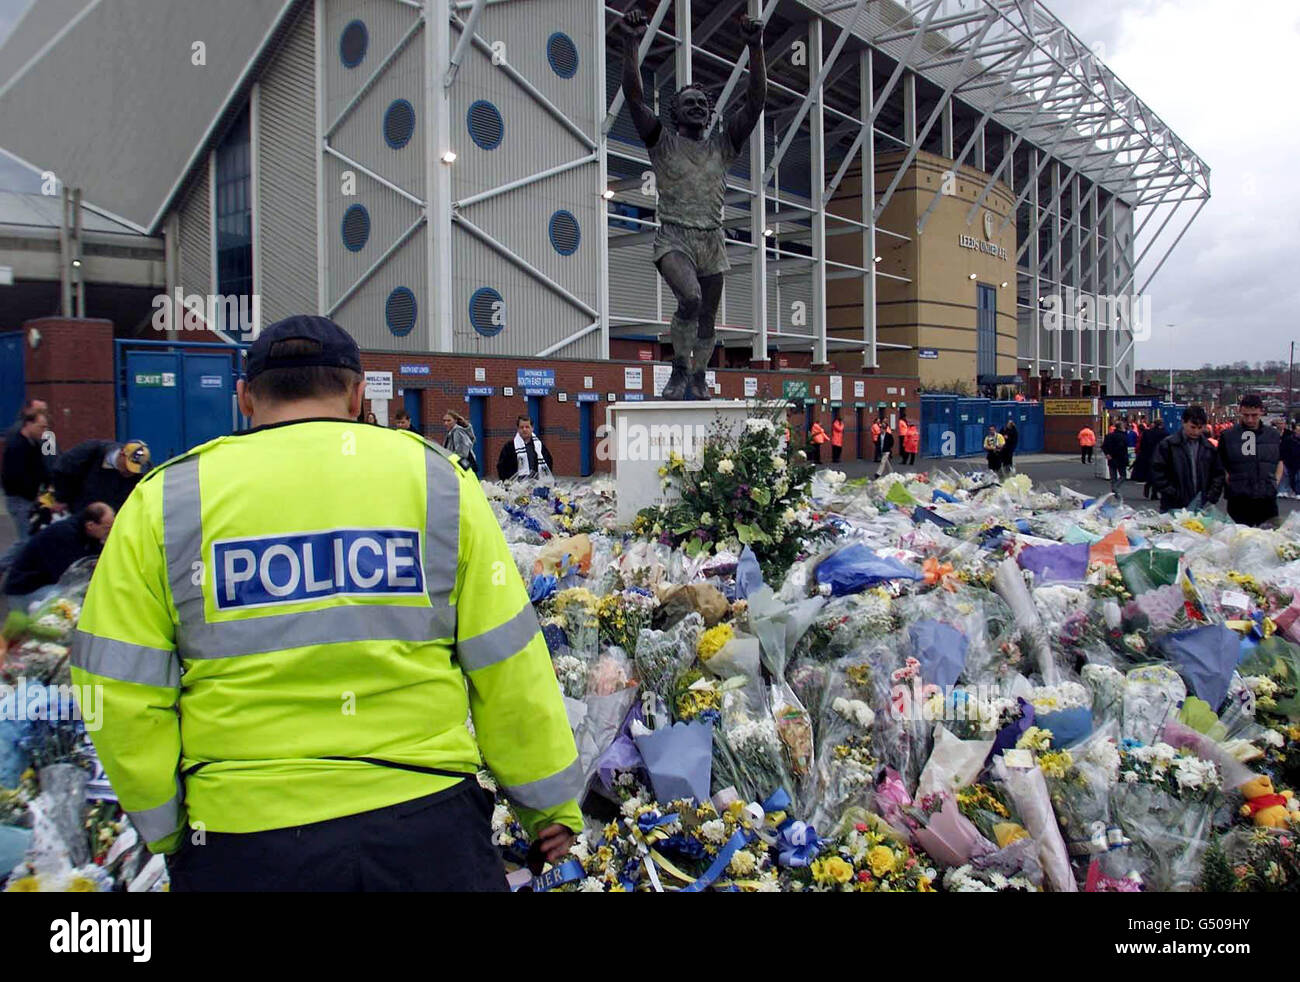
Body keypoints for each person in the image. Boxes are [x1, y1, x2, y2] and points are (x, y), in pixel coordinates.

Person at [71, 315, 581, 891]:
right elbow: (508, 663)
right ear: (360, 393)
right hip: (427, 827)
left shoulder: (165, 502)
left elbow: (117, 688)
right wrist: (549, 808)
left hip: (243, 839)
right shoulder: (436, 482)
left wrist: (168, 829)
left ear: (244, 399)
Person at [617, 9, 767, 400]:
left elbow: (755, 103)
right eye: (689, 102)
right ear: (675, 111)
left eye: (703, 102)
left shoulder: (723, 143)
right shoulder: (661, 141)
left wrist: (756, 47)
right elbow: (633, 97)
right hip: (674, 237)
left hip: (711, 239)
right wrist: (631, 43)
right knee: (691, 299)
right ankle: (679, 367)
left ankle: (699, 375)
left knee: (708, 317)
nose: (698, 106)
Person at [4, 502, 113, 609]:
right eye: (107, 528)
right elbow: (69, 577)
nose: (110, 532)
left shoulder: (87, 533)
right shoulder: (65, 536)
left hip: (44, 585)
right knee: (74, 602)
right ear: (90, 525)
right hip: (26, 591)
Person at [1218, 394, 1283, 527]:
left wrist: (1275, 482)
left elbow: (1280, 461)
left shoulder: (1273, 435)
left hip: (1266, 498)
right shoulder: (1228, 436)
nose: (1250, 419)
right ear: (1240, 412)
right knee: (1239, 541)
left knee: (1270, 542)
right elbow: (1220, 464)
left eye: (1254, 415)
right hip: (1239, 500)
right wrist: (1230, 482)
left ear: (1261, 412)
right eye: (1246, 415)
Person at [0, 407, 51, 575]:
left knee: (28, 538)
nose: (44, 431)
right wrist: (33, 493)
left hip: (27, 498)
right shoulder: (17, 446)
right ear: (28, 424)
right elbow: (13, 477)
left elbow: (41, 468)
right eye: (41, 427)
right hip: (19, 499)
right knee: (26, 540)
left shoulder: (34, 443)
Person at [1149, 406, 1224, 514]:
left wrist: (1211, 496)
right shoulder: (1168, 445)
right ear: (1183, 422)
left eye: (1200, 428)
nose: (1196, 432)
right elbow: (1157, 471)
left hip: (1201, 505)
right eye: (1192, 427)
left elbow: (1218, 474)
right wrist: (1172, 493)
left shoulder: (1209, 448)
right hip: (1173, 505)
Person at [51, 439, 150, 513]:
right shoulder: (92, 452)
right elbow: (62, 470)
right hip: (82, 512)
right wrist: (61, 498)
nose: (131, 472)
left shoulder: (142, 468)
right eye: (128, 466)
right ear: (122, 454)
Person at [497, 415, 554, 482]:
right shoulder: (509, 447)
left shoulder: (539, 446)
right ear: (518, 429)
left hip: (536, 485)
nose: (524, 429)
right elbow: (501, 466)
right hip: (515, 486)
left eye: (527, 427)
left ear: (532, 428)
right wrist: (507, 482)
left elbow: (548, 462)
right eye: (522, 427)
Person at [1132, 417, 1166, 499]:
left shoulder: (1147, 433)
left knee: (1150, 473)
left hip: (1147, 456)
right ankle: (1154, 492)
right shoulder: (1164, 433)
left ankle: (1148, 486)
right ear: (1161, 424)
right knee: (1158, 474)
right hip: (1159, 457)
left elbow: (1142, 444)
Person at [442, 410, 478, 474]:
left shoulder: (457, 431)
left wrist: (453, 462)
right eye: (444, 421)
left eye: (448, 420)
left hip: (459, 467)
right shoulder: (451, 432)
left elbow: (462, 452)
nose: (446, 423)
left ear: (455, 421)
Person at [1102, 423, 1129, 497]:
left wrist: (1107, 454)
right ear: (1121, 428)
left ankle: (1115, 494)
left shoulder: (1109, 435)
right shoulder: (1123, 436)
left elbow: (1104, 446)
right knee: (1123, 476)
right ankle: (1115, 488)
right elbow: (1123, 447)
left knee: (1113, 477)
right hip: (1121, 458)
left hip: (1111, 458)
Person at [1281, 420, 1300, 498]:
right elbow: (1283, 450)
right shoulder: (1288, 439)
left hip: (1298, 462)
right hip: (1288, 461)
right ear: (1295, 430)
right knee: (1285, 476)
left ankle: (1298, 492)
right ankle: (1284, 490)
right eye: (1298, 430)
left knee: (1298, 478)